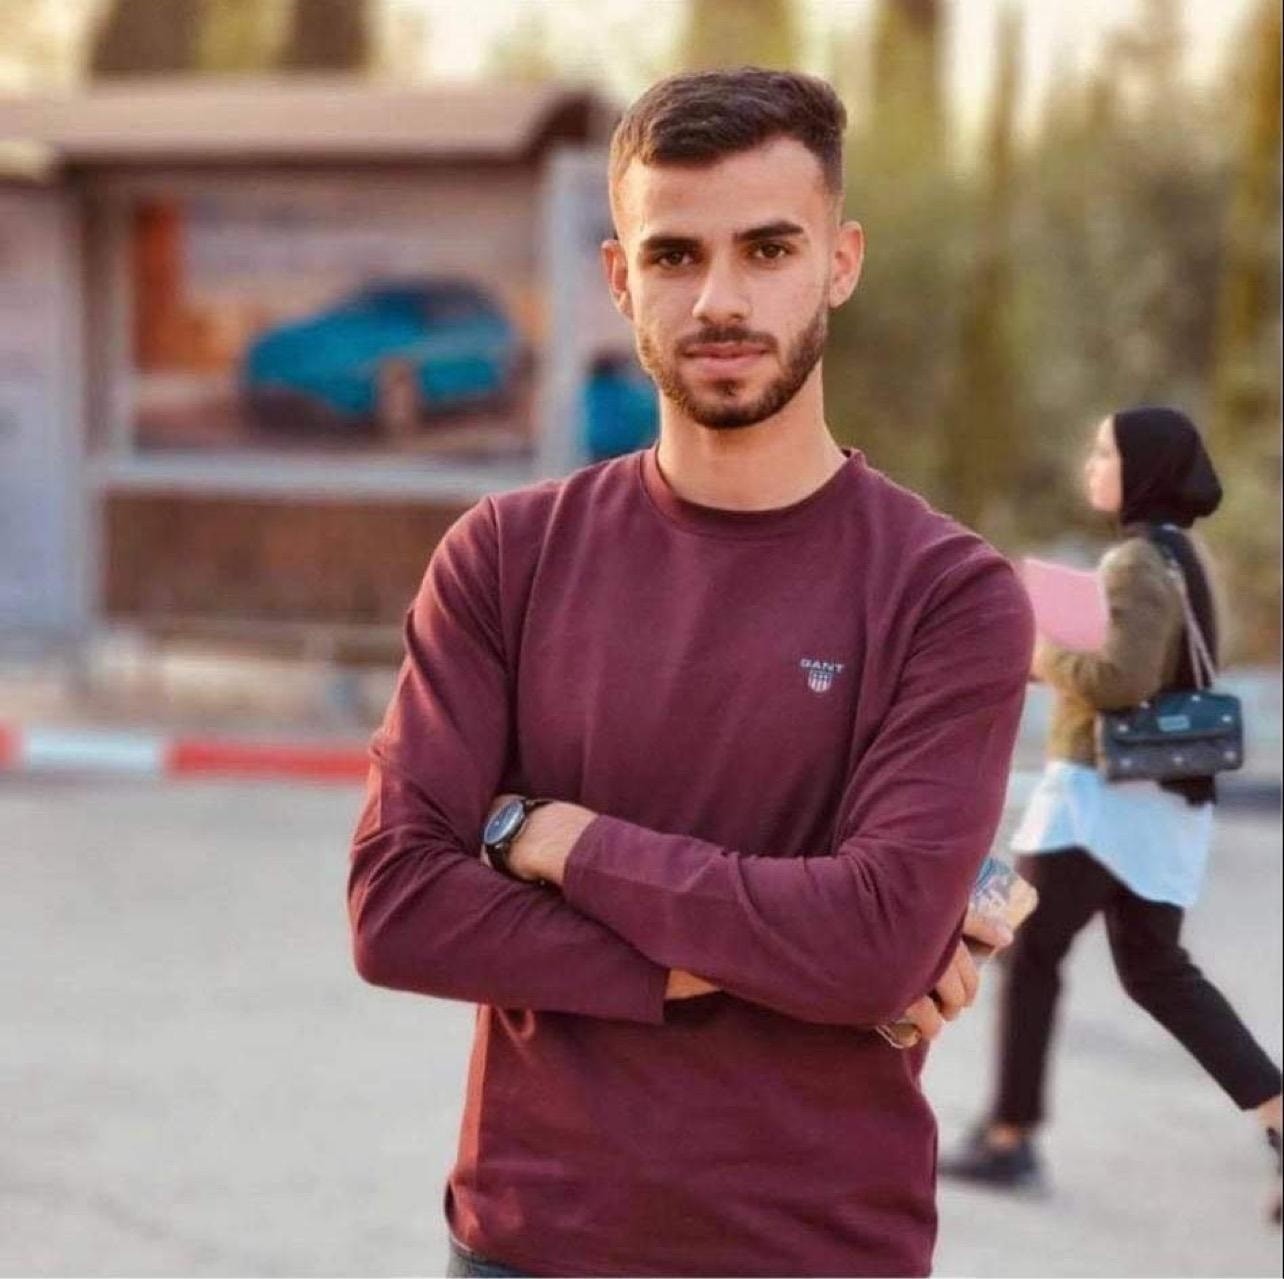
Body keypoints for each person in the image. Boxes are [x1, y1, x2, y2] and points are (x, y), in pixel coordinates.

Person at [348, 68, 1035, 1278]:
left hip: (819, 1251)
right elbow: (399, 910)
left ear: (841, 263)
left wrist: (552, 838)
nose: (721, 299)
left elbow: (876, 944)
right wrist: (772, 950)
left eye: (769, 248)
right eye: (675, 255)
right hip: (526, 1244)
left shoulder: (948, 594)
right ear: (621, 279)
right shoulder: (505, 557)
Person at [940, 406, 1283, 1221]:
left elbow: (1120, 680)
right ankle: (1277, 1111)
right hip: (1145, 804)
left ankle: (1008, 1134)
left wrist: (1038, 647)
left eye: (1105, 452)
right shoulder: (1180, 554)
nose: (1091, 464)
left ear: (1144, 469)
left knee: (1011, 939)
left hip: (1097, 802)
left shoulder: (1136, 560)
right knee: (1155, 970)